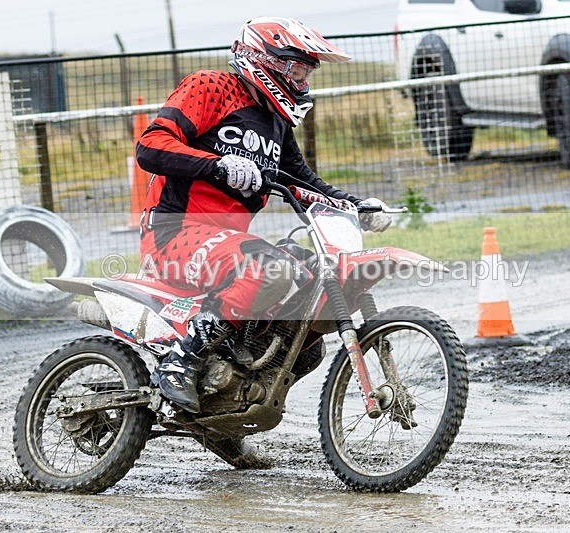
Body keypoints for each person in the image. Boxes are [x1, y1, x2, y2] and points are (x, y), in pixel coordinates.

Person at [136, 17, 392, 413]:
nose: (301, 80)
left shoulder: (276, 120)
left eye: (306, 71)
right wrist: (217, 165)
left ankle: (232, 397)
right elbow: (151, 146)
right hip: (174, 234)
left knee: (309, 301)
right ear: (262, 58)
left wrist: (355, 205)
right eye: (295, 68)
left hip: (226, 244)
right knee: (270, 267)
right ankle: (181, 362)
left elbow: (299, 179)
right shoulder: (212, 86)